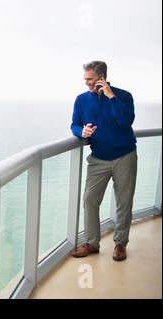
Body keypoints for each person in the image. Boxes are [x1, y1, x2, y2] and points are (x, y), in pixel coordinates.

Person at [70, 60, 137, 261]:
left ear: (101, 77)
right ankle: (91, 243)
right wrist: (81, 131)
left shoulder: (123, 96)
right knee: (90, 199)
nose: (86, 83)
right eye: (85, 79)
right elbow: (74, 124)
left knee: (124, 202)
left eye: (89, 79)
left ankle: (120, 244)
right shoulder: (81, 100)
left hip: (125, 156)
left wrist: (110, 96)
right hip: (98, 159)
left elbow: (126, 121)